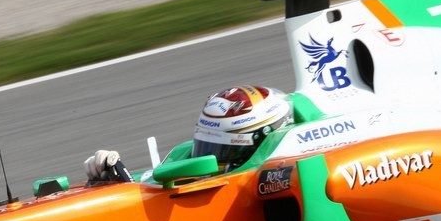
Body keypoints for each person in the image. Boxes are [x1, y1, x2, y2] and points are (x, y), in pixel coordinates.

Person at [85, 85, 294, 181]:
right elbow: (150, 181)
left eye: (222, 149)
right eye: (204, 144)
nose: (205, 156)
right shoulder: (183, 161)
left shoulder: (279, 175)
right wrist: (110, 179)